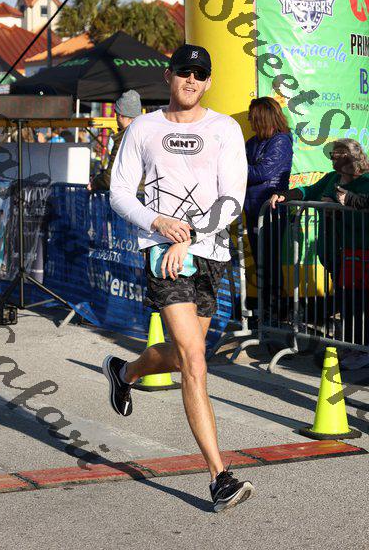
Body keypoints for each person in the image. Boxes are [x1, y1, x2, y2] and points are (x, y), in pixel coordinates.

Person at [104, 44, 254, 512]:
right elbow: (119, 192)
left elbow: (233, 197)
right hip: (163, 255)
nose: (191, 80)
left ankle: (124, 372)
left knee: (186, 353)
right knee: (193, 361)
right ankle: (219, 477)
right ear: (168, 76)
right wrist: (157, 224)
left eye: (199, 74)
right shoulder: (144, 128)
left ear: (208, 81)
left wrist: (191, 237)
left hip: (210, 253)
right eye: (184, 71)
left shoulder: (225, 128)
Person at [271, 138, 369, 369]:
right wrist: (287, 194)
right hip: (336, 253)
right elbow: (310, 190)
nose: (333, 158)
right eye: (333, 154)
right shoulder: (332, 178)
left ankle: (362, 349)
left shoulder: (365, 181)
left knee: (359, 302)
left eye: (338, 154)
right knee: (346, 300)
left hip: (361, 252)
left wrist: (343, 204)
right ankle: (350, 344)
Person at [244, 97, 293, 310]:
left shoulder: (281, 141)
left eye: (252, 117)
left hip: (271, 210)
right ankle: (266, 311)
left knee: (270, 261)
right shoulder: (252, 142)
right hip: (252, 208)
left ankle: (276, 310)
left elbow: (263, 172)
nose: (249, 120)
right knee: (261, 262)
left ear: (262, 118)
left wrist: (234, 168)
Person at [88, 90, 143, 192]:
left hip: (129, 196)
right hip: (148, 195)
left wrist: (94, 183)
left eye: (117, 115)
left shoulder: (124, 139)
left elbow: (110, 178)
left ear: (121, 115)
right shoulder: (147, 134)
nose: (116, 119)